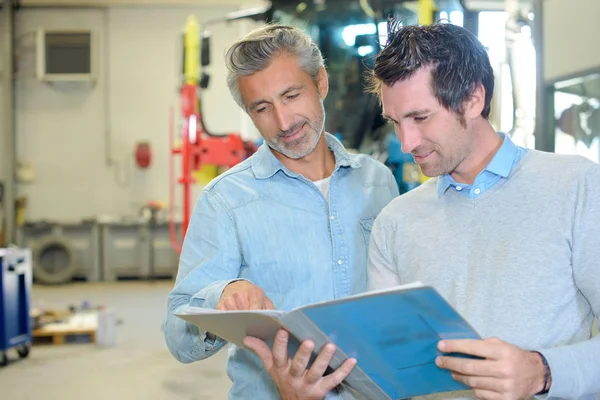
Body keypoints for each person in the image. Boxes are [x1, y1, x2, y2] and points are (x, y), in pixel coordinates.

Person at [247, 22, 600, 400]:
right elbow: (382, 378)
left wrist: (543, 371)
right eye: (395, 122)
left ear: (472, 100)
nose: (407, 141)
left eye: (420, 117)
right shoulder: (397, 221)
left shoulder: (576, 188)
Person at [163, 24, 399, 400]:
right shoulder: (226, 201)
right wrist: (223, 295)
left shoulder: (377, 182)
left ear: (320, 82)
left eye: (291, 95)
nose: (284, 122)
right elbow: (177, 337)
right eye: (262, 108)